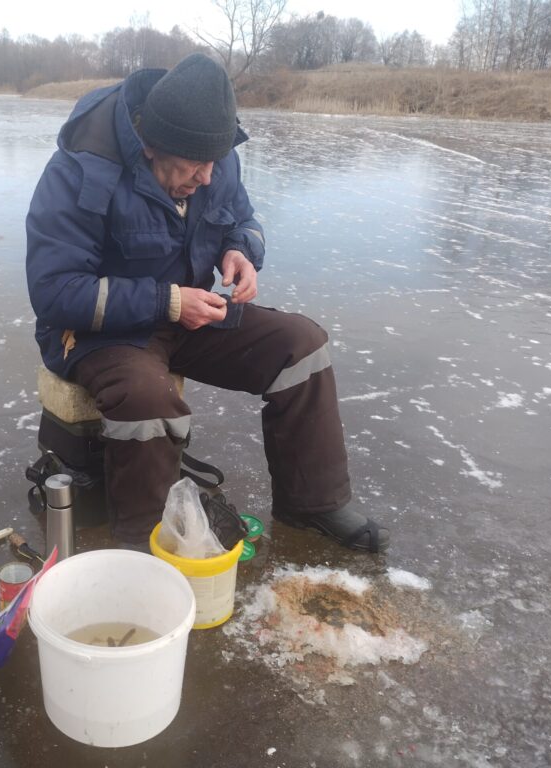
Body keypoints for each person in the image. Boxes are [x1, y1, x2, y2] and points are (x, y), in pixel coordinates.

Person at [25, 53, 389, 553]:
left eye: (214, 163)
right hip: (97, 331)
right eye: (193, 167)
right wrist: (167, 301)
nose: (208, 178)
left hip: (190, 312)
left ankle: (313, 502)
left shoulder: (212, 158)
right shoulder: (82, 168)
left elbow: (242, 215)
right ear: (151, 147)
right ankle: (146, 549)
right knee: (147, 397)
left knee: (301, 346)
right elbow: (55, 290)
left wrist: (241, 249)